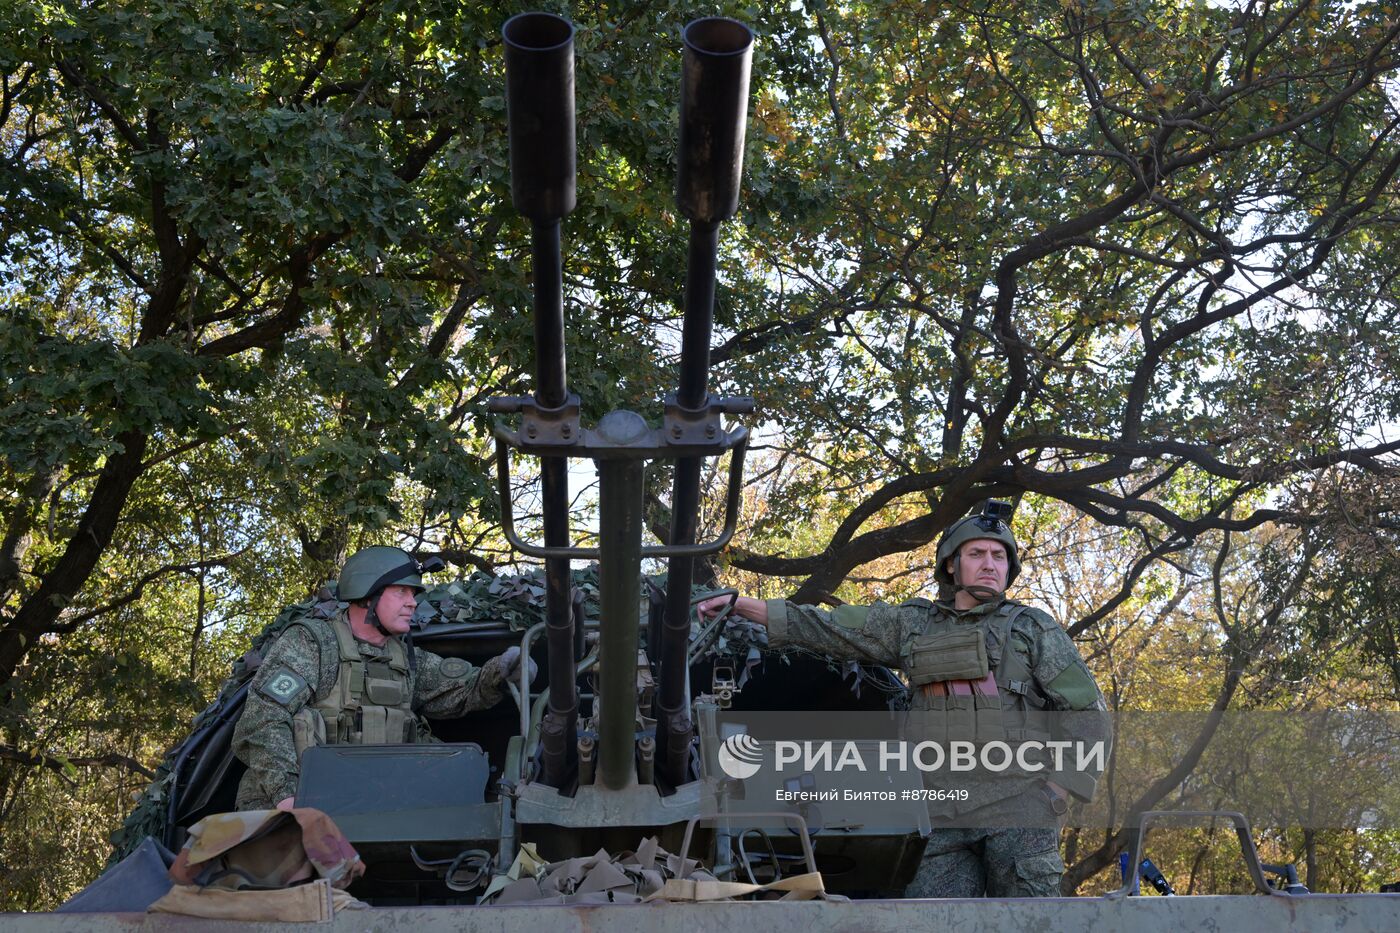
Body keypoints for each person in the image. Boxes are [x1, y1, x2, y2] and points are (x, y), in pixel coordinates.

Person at [697, 501, 1107, 897]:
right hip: (938, 810)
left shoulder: (1034, 629)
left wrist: (1058, 789)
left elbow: (1089, 714)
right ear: (951, 563)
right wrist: (744, 606)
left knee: (1032, 922)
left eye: (1000, 557)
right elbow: (832, 626)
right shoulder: (913, 624)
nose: (990, 564)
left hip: (1018, 805)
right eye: (977, 553)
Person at [232, 546, 533, 811]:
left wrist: (505, 667)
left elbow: (465, 690)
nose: (412, 602)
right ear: (367, 595)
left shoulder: (404, 657)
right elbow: (263, 719)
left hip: (376, 810)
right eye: (401, 591)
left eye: (413, 594)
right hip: (293, 813)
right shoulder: (312, 644)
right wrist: (289, 797)